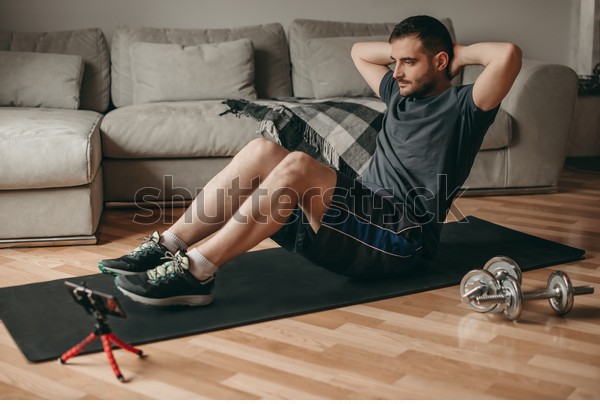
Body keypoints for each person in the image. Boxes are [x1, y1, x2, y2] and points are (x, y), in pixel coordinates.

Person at [98, 15, 522, 307]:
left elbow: (506, 55)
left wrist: (453, 50)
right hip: (359, 218)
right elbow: (360, 51)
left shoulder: (465, 107)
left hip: (400, 237)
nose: (396, 71)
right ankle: (169, 245)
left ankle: (196, 272)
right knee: (263, 150)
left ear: (442, 62)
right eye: (395, 62)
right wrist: (410, 56)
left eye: (409, 62)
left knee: (300, 165)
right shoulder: (398, 94)